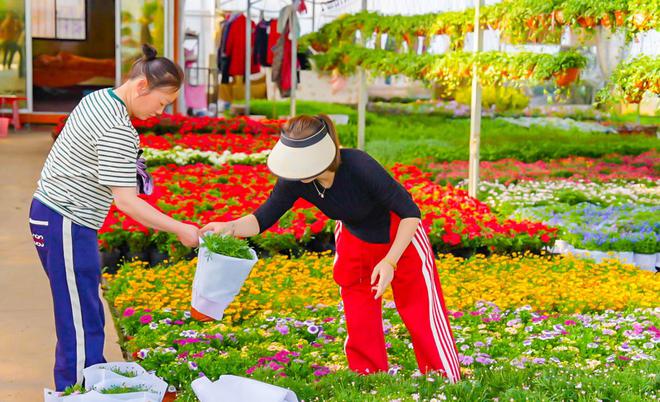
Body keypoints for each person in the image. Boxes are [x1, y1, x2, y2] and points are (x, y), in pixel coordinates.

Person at [200, 115, 462, 382]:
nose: (296, 170)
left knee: (419, 309)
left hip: (400, 237)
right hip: (353, 236)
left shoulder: (360, 166)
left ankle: (443, 380)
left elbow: (410, 214)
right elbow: (260, 219)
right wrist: (229, 227)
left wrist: (389, 262)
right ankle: (369, 377)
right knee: (358, 307)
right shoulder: (295, 179)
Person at [29, 44, 199, 392]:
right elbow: (127, 202)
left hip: (58, 217)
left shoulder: (99, 99)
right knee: (80, 322)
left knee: (86, 314)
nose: (161, 112)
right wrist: (180, 229)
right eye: (163, 102)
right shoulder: (117, 127)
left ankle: (86, 388)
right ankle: (74, 393)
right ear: (141, 87)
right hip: (66, 221)